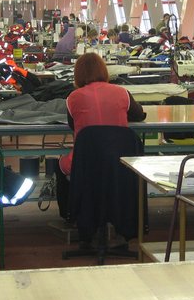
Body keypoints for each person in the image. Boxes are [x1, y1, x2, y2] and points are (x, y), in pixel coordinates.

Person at [55, 52, 146, 218]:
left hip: (85, 161)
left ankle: (70, 215)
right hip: (120, 161)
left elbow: (74, 126)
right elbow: (139, 115)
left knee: (60, 166)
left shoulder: (72, 98)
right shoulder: (122, 93)